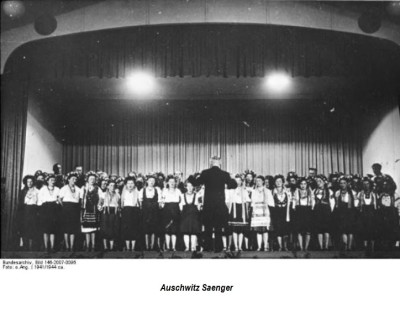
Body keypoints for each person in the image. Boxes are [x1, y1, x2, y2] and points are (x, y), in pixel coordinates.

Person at [195, 156, 237, 252]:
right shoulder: (224, 174)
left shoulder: (205, 173)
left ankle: (208, 247)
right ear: (220, 163)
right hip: (219, 206)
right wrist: (233, 179)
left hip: (208, 206)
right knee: (218, 228)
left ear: (211, 162)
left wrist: (191, 177)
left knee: (208, 228)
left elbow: (196, 183)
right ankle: (218, 248)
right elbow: (233, 185)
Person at [334, 176, 358, 251]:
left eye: (344, 183)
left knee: (350, 230)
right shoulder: (337, 192)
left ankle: (349, 246)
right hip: (341, 213)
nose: (342, 185)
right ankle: (345, 246)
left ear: (347, 184)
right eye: (341, 183)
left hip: (350, 212)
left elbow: (356, 202)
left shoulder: (352, 192)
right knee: (343, 230)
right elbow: (336, 203)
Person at [38, 174, 61, 252]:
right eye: (51, 180)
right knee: (46, 229)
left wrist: (57, 203)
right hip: (45, 209)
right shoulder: (43, 189)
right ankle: (46, 247)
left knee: (53, 229)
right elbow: (40, 199)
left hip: (54, 209)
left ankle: (52, 247)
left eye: (54, 180)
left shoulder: (57, 189)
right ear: (47, 181)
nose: (53, 182)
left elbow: (59, 199)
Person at [250, 175, 274, 251]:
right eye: (257, 181)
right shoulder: (254, 191)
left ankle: (265, 247)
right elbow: (252, 202)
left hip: (265, 211)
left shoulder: (267, 191)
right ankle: (259, 246)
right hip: (257, 211)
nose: (258, 182)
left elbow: (271, 202)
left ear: (263, 181)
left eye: (259, 181)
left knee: (265, 230)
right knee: (258, 230)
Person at [227, 175, 250, 252]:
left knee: (241, 229)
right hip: (233, 209)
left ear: (241, 182)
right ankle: (235, 246)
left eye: (239, 180)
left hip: (242, 209)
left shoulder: (244, 190)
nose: (238, 182)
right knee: (234, 229)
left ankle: (240, 246)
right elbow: (227, 201)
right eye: (236, 180)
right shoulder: (230, 190)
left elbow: (248, 200)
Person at [59, 172, 81, 252]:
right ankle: (67, 246)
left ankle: (72, 246)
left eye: (75, 179)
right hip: (66, 209)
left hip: (75, 209)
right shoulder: (64, 188)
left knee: (73, 228)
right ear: (68, 179)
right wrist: (64, 207)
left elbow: (80, 200)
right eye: (72, 179)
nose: (74, 181)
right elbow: (59, 199)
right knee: (66, 228)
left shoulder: (78, 189)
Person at [139, 175, 162, 251]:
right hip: (145, 212)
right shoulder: (142, 190)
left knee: (153, 229)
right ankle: (146, 246)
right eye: (150, 181)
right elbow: (140, 202)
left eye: (153, 181)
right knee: (146, 230)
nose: (151, 182)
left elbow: (159, 202)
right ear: (147, 182)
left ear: (155, 182)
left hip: (154, 212)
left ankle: (152, 246)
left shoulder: (157, 190)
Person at [160, 175, 182, 251]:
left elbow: (180, 201)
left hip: (175, 210)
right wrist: (163, 208)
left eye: (173, 182)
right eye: (170, 182)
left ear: (176, 183)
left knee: (174, 230)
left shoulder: (178, 191)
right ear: (167, 183)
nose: (172, 183)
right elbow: (162, 201)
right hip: (167, 210)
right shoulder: (164, 190)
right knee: (167, 229)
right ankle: (168, 247)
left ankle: (173, 247)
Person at [18, 175, 39, 251]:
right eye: (28, 182)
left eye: (31, 181)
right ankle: (25, 246)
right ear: (25, 182)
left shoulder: (37, 191)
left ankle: (31, 247)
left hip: (34, 210)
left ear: (33, 182)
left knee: (32, 228)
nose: (29, 183)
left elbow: (38, 202)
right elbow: (21, 203)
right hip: (25, 211)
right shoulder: (23, 191)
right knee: (25, 228)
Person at [80, 172, 101, 252]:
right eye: (90, 179)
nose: (92, 180)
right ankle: (87, 246)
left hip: (94, 210)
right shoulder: (84, 188)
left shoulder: (97, 188)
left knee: (93, 229)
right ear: (87, 179)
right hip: (86, 210)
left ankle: (93, 246)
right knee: (87, 229)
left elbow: (101, 199)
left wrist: (99, 205)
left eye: (93, 179)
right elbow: (81, 199)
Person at [313, 175, 334, 250]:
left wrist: (330, 211)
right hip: (317, 210)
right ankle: (321, 246)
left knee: (326, 228)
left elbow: (332, 202)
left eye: (320, 181)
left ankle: (326, 246)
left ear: (324, 182)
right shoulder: (314, 191)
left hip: (326, 211)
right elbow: (312, 201)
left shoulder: (329, 191)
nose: (319, 183)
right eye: (317, 182)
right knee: (319, 229)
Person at [180, 178, 201, 252]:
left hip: (194, 216)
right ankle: (187, 247)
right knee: (185, 231)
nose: (190, 188)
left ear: (193, 187)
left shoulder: (197, 195)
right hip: (185, 216)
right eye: (188, 186)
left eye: (191, 186)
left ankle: (193, 247)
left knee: (194, 232)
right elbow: (181, 207)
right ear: (186, 187)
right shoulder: (182, 196)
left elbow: (199, 207)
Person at [293, 177, 314, 251]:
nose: (303, 185)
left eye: (304, 184)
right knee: (299, 230)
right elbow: (294, 200)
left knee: (308, 230)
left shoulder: (310, 191)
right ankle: (301, 247)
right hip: (299, 210)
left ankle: (306, 247)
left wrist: (312, 208)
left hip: (307, 210)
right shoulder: (297, 191)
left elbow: (312, 200)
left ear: (307, 184)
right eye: (301, 184)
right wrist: (294, 208)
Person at [120, 177, 141, 251]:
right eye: (128, 183)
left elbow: (139, 203)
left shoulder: (137, 192)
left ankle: (133, 248)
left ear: (134, 184)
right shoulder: (123, 192)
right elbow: (121, 203)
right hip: (126, 211)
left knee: (134, 229)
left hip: (134, 211)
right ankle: (127, 247)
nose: (130, 185)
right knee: (126, 229)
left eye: (132, 183)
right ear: (126, 184)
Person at [357, 177, 378, 252]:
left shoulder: (374, 194)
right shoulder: (360, 193)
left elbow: (376, 205)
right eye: (364, 184)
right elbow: (357, 204)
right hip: (363, 214)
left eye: (367, 184)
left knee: (372, 230)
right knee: (364, 230)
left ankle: (372, 247)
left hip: (372, 214)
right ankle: (365, 247)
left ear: (370, 184)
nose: (366, 186)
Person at [99, 180, 121, 251]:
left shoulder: (118, 195)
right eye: (111, 185)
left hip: (114, 212)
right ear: (108, 186)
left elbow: (119, 204)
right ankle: (105, 246)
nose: (112, 187)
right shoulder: (103, 194)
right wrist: (100, 208)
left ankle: (111, 247)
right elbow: (100, 204)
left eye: (114, 185)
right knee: (105, 229)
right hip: (106, 213)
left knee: (113, 229)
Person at [271, 175, 291, 251]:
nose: (278, 183)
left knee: (285, 229)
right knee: (278, 229)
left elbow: (290, 202)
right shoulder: (272, 191)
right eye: (277, 181)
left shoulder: (287, 191)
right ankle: (280, 246)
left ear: (283, 182)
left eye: (280, 181)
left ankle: (285, 246)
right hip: (276, 212)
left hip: (285, 211)